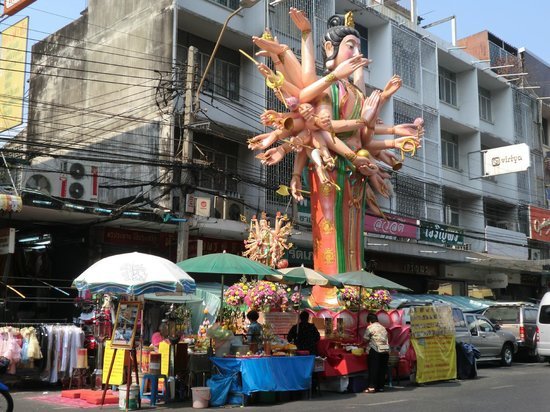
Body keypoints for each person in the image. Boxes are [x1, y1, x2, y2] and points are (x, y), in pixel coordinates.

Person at [363, 313, 390, 393]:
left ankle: (371, 387)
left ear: (370, 321)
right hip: (385, 350)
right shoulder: (383, 327)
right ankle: (380, 387)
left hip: (375, 350)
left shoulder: (370, 327)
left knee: (373, 368)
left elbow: (365, 339)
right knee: (382, 369)